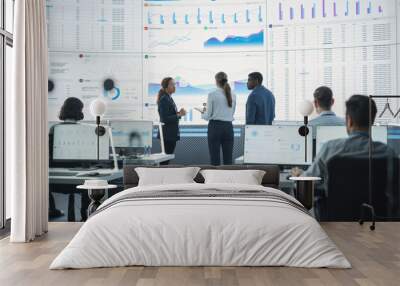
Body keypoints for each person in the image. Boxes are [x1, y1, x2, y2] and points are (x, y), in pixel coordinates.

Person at [292, 95, 395, 216]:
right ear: (372, 121)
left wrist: (300, 175)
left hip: (336, 221)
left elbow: (307, 182)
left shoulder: (330, 149)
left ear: (349, 120)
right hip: (378, 222)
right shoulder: (389, 153)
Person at [49, 97, 89, 220]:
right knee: (90, 182)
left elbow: (49, 154)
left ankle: (52, 209)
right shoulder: (83, 130)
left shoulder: (54, 129)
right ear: (79, 112)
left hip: (56, 182)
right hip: (78, 181)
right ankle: (84, 215)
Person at [201, 72, 236, 166]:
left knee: (215, 159)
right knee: (228, 159)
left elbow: (207, 115)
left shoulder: (212, 94)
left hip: (215, 127)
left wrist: (202, 113)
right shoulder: (233, 94)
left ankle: (215, 180)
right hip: (228, 127)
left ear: (216, 81)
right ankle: (228, 179)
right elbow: (232, 113)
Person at [157, 77, 186, 165]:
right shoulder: (164, 99)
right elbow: (164, 118)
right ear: (166, 87)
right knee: (165, 162)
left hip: (170, 134)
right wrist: (179, 115)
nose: (174, 86)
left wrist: (178, 114)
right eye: (172, 84)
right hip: (167, 135)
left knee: (166, 161)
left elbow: (169, 114)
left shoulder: (168, 98)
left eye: (175, 84)